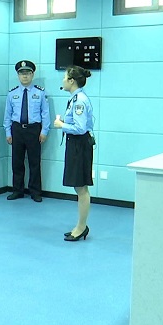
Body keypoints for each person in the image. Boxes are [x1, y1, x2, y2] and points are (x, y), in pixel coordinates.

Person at [53, 65, 95, 242]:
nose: (63, 80)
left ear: (71, 81)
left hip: (80, 145)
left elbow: (80, 128)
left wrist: (61, 125)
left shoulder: (79, 101)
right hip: (75, 144)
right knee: (79, 186)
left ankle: (81, 227)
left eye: (65, 77)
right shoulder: (75, 98)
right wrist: (65, 122)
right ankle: (81, 225)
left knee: (81, 187)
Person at [4, 60, 50, 202]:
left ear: (32, 75)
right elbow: (7, 115)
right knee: (17, 162)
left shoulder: (40, 92)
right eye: (22, 73)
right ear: (18, 75)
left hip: (33, 130)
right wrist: (8, 132)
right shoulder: (12, 93)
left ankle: (35, 192)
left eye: (28, 73)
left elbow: (45, 113)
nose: (25, 76)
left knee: (34, 162)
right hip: (17, 129)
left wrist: (44, 131)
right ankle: (17, 190)